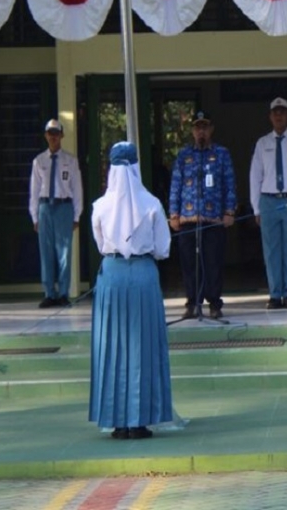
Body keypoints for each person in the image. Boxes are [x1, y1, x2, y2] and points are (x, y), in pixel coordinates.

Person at [89, 141, 173, 440]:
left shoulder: (100, 206)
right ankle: (140, 421)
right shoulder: (152, 203)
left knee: (112, 344)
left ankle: (117, 421)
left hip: (112, 275)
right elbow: (163, 248)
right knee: (142, 345)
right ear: (136, 167)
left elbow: (101, 244)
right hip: (143, 275)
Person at [168, 111, 237, 320]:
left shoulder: (221, 154)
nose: (201, 131)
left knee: (213, 262)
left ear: (211, 129)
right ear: (192, 130)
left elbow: (229, 184)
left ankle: (214, 304)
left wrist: (229, 211)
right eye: (198, 127)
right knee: (189, 264)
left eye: (205, 127)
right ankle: (192, 302)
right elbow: (176, 185)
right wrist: (173, 213)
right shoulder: (184, 155)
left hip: (213, 218)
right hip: (188, 218)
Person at [249, 97, 287, 310]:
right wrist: (256, 208)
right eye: (275, 112)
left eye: (282, 112)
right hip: (268, 201)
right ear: (270, 117)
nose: (279, 116)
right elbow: (255, 177)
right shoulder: (262, 143)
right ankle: (275, 295)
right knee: (271, 250)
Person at [28, 118, 83, 308]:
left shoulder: (70, 161)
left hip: (63, 207)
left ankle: (63, 293)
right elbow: (34, 191)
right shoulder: (39, 161)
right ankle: (49, 293)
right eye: (50, 133)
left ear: (62, 135)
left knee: (64, 252)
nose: (53, 137)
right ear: (46, 135)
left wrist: (76, 215)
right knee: (46, 252)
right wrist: (34, 216)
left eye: (56, 133)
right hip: (45, 207)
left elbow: (77, 189)